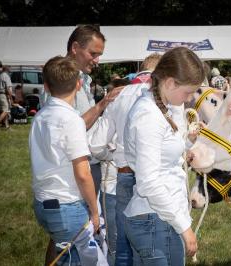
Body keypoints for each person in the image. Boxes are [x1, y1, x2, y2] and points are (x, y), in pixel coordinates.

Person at [123, 47, 204, 265]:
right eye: (187, 92)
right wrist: (183, 226)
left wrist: (188, 141)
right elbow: (149, 182)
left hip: (157, 218)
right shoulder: (148, 115)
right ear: (169, 83)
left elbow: (164, 155)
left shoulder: (160, 108)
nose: (189, 99)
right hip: (156, 221)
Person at [88, 53, 161, 266]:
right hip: (155, 179)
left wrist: (112, 155)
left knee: (120, 246)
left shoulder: (119, 94)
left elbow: (96, 145)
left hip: (121, 175)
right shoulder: (161, 94)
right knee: (151, 245)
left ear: (141, 70)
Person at [30, 56, 100, 265]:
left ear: (46, 86)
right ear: (79, 84)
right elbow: (82, 173)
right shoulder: (72, 121)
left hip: (43, 202)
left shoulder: (39, 117)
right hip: (66, 206)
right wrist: (94, 211)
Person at [0, 61, 13, 131]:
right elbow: (8, 88)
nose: (10, 68)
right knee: (5, 111)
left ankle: (7, 126)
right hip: (3, 95)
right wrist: (11, 97)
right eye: (9, 67)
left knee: (5, 110)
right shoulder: (5, 76)